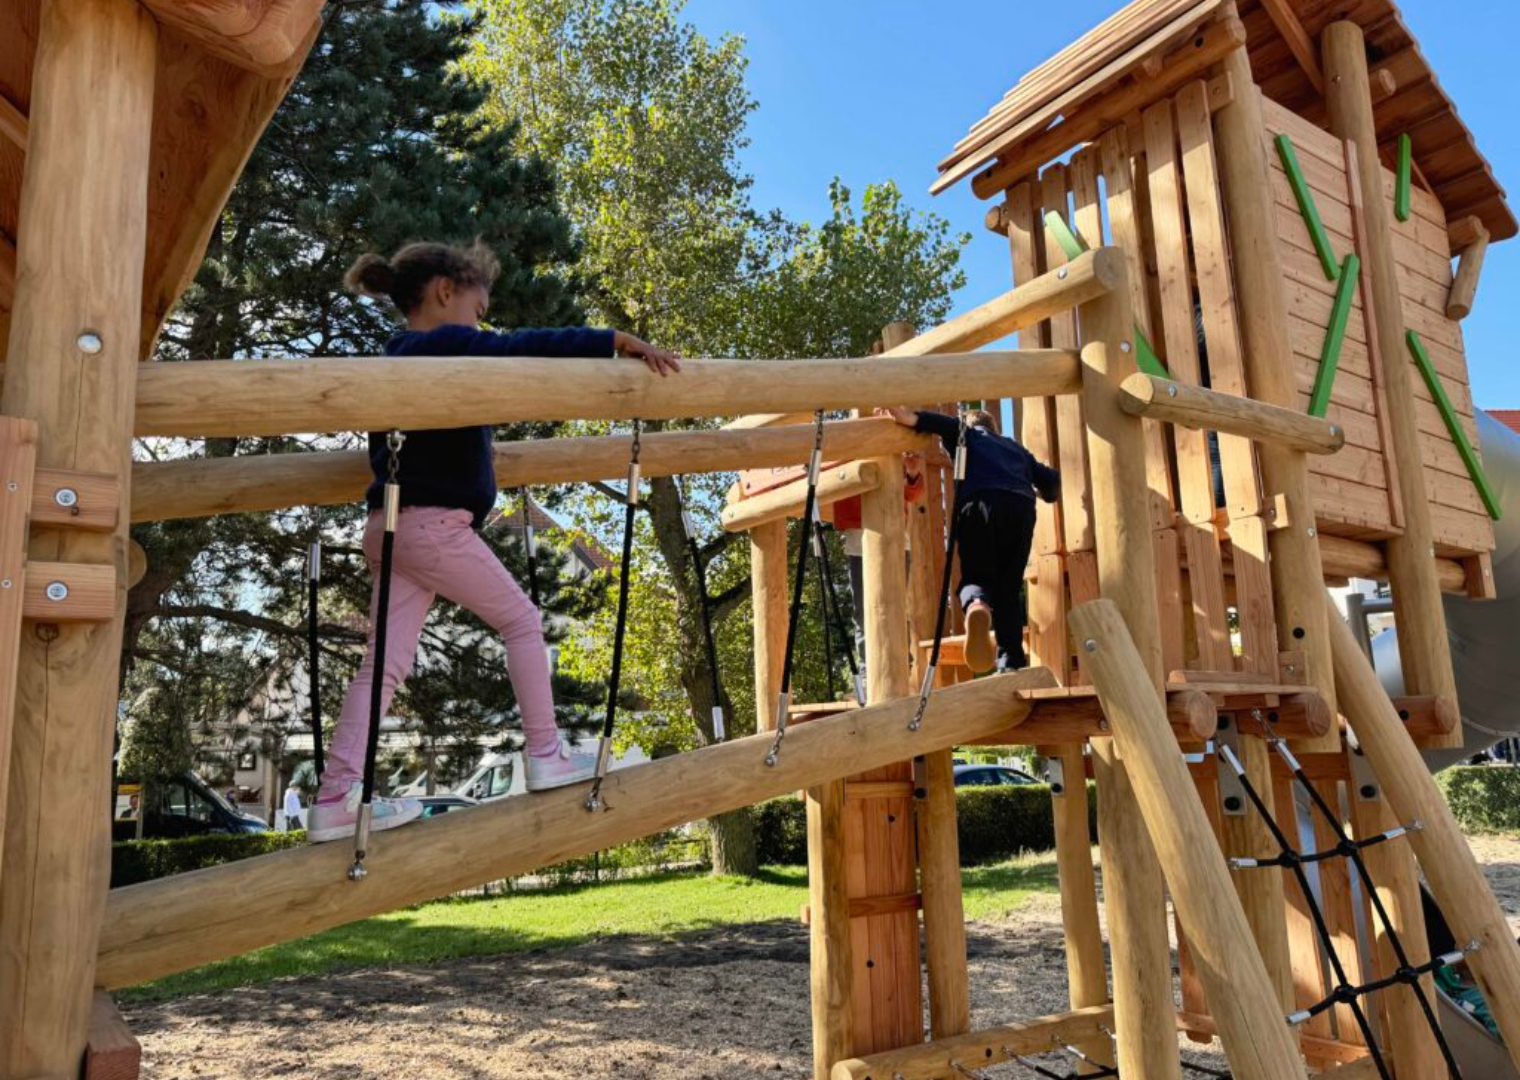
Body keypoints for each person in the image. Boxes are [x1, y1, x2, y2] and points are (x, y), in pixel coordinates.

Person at [307, 240, 681, 844]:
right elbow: (519, 348)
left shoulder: (401, 357)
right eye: (480, 310)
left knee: (383, 666)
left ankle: (333, 800)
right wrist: (609, 339)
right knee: (522, 621)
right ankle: (545, 754)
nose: (485, 325)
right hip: (431, 527)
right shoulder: (439, 346)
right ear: (445, 293)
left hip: (395, 527)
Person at [878, 406, 1059, 674]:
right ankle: (1011, 662)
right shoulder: (1016, 450)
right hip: (1020, 506)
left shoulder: (968, 435)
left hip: (979, 503)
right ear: (994, 428)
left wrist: (910, 418)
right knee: (1008, 588)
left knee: (977, 575)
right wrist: (1043, 493)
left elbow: (946, 425)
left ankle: (977, 605)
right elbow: (1052, 482)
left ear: (971, 425)